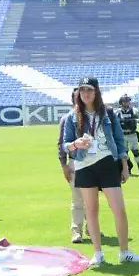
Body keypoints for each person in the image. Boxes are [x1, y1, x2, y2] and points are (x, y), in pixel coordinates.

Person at [62, 77, 139, 265]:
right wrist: (76, 144)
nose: (85, 93)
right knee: (91, 211)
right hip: (84, 166)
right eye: (82, 90)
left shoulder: (108, 113)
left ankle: (124, 252)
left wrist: (124, 166)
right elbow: (65, 145)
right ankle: (98, 253)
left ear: (96, 92)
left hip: (107, 162)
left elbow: (119, 140)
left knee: (119, 209)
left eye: (89, 90)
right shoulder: (72, 116)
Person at [57, 88, 88, 242]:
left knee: (91, 198)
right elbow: (61, 144)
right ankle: (76, 231)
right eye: (77, 98)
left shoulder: (91, 116)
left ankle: (92, 227)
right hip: (75, 162)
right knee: (77, 199)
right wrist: (64, 164)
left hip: (92, 162)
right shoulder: (67, 118)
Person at [115, 95, 139, 177]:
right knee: (124, 153)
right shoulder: (118, 112)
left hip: (132, 134)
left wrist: (133, 120)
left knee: (136, 151)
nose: (126, 103)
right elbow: (113, 121)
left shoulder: (134, 110)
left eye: (127, 101)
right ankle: (128, 167)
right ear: (121, 103)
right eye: (125, 101)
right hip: (122, 135)